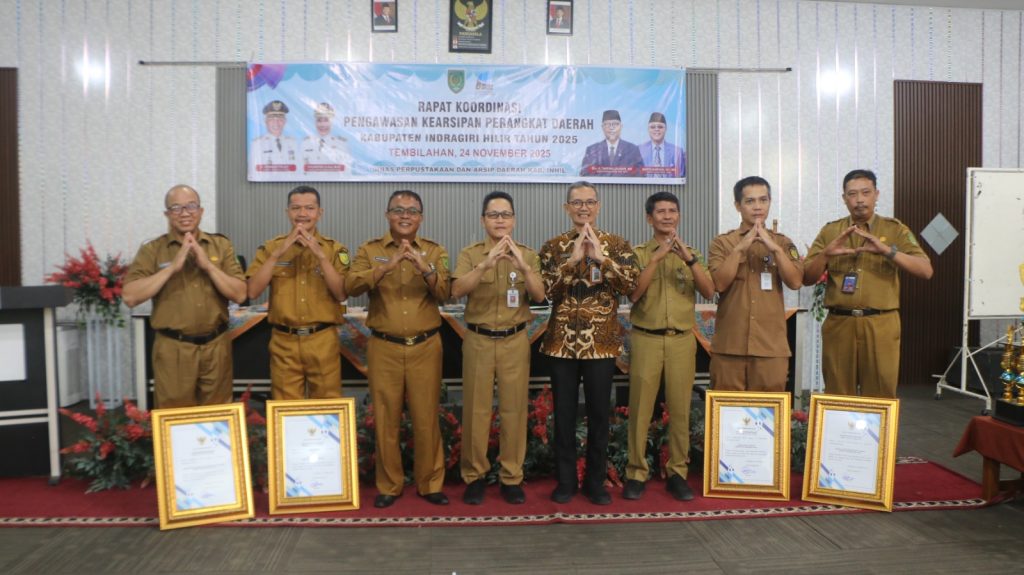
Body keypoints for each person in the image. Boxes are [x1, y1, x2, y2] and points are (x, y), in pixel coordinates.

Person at [346, 190, 451, 509]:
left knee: (425, 418)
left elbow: (447, 293)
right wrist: (385, 267)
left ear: (421, 217)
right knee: (386, 418)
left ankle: (430, 482)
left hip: (425, 346)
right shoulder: (370, 249)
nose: (405, 215)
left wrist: (425, 269)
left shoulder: (434, 250)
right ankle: (389, 484)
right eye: (398, 209)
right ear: (387, 214)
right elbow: (350, 287)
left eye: (412, 211)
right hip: (384, 347)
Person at [539, 181, 638, 505]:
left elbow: (630, 286)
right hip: (561, 343)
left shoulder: (618, 244)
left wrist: (601, 259)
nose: (583, 207)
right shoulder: (553, 247)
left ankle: (595, 482)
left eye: (590, 202)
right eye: (577, 203)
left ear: (599, 206)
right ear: (566, 208)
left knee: (599, 414)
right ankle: (565, 481)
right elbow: (543, 293)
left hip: (602, 342)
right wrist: (570, 264)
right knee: (564, 415)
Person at [803, 169, 933, 398]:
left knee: (881, 393)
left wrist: (887, 251)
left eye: (866, 192)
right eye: (852, 194)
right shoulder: (831, 231)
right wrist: (826, 254)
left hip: (881, 323)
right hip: (839, 324)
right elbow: (806, 277)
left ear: (876, 194)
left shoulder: (894, 229)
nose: (859, 199)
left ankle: (880, 434)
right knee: (837, 393)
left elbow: (925, 270)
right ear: (844, 198)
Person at [452, 191, 545, 506]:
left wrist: (524, 266)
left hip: (515, 340)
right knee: (477, 411)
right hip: (478, 339)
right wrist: (485, 265)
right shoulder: (470, 253)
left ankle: (511, 476)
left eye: (505, 214)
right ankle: (475, 476)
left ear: (514, 220)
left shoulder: (528, 255)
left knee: (514, 410)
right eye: (493, 215)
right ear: (483, 220)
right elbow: (455, 291)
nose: (500, 220)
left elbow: (541, 296)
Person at [622, 191, 714, 502]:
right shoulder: (636, 254)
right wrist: (656, 258)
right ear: (649, 218)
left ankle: (677, 472)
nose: (667, 216)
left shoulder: (692, 253)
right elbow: (633, 294)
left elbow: (709, 290)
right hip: (646, 338)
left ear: (679, 216)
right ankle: (636, 471)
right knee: (640, 410)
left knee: (680, 410)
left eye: (672, 211)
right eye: (660, 211)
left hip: (681, 340)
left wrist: (688, 258)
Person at [123, 185, 247, 408]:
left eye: (191, 206)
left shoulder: (221, 245)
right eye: (176, 208)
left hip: (216, 347)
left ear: (201, 211)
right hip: (174, 348)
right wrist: (172, 268)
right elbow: (130, 297)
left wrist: (207, 265)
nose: (185, 213)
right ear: (167, 214)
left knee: (219, 415)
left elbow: (239, 294)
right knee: (175, 417)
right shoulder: (153, 250)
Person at [246, 185, 349, 400]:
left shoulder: (334, 249)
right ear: (287, 212)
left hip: (322, 340)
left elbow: (341, 294)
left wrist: (320, 255)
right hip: (284, 341)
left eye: (309, 208)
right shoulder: (271, 247)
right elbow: (253, 291)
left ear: (320, 213)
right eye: (296, 208)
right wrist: (277, 254)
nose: (302, 214)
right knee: (285, 412)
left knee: (327, 408)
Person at [708, 176, 803, 391]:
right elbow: (719, 284)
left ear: (770, 202)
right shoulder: (723, 243)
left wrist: (776, 250)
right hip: (729, 346)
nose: (758, 207)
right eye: (750, 201)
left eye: (763, 200)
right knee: (727, 413)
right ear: (738, 206)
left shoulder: (783, 242)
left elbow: (796, 282)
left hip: (771, 347)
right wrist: (741, 248)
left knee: (769, 414)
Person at [579, 110, 644, 177]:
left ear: (621, 126)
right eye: (607, 124)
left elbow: (640, 173)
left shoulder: (632, 149)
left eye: (615, 124)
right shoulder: (592, 150)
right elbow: (584, 173)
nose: (612, 128)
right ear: (602, 127)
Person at [301, 102, 352, 176]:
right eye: (319, 120)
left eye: (326, 120)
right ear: (315, 122)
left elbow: (347, 172)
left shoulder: (341, 144)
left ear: (331, 122)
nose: (322, 125)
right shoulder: (306, 143)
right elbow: (301, 171)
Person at [250, 100, 298, 178]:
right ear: (265, 121)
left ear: (285, 121)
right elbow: (253, 172)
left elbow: (298, 170)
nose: (276, 123)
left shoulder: (292, 142)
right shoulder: (257, 144)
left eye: (280, 119)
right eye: (272, 119)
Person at [638, 112, 686, 178]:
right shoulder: (639, 150)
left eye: (660, 127)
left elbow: (680, 176)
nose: (656, 129)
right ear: (648, 129)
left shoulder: (677, 151)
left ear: (666, 129)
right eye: (652, 127)